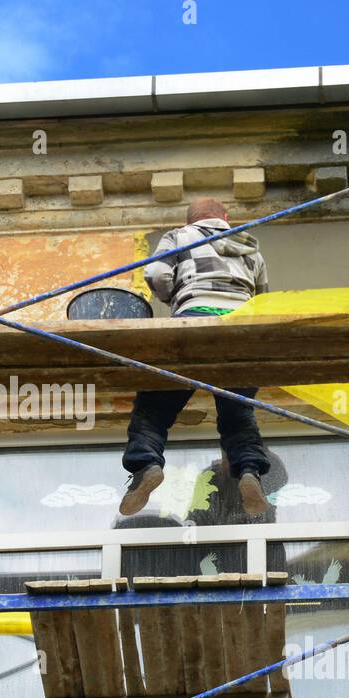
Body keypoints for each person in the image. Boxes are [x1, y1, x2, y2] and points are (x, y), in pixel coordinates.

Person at [119, 197, 274, 517]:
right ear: (226, 217)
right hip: (239, 333)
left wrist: (174, 298)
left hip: (192, 326)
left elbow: (157, 275)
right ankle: (249, 471)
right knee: (238, 414)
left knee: (154, 408)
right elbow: (263, 298)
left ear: (191, 220)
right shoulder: (250, 246)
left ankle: (146, 465)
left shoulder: (178, 236)